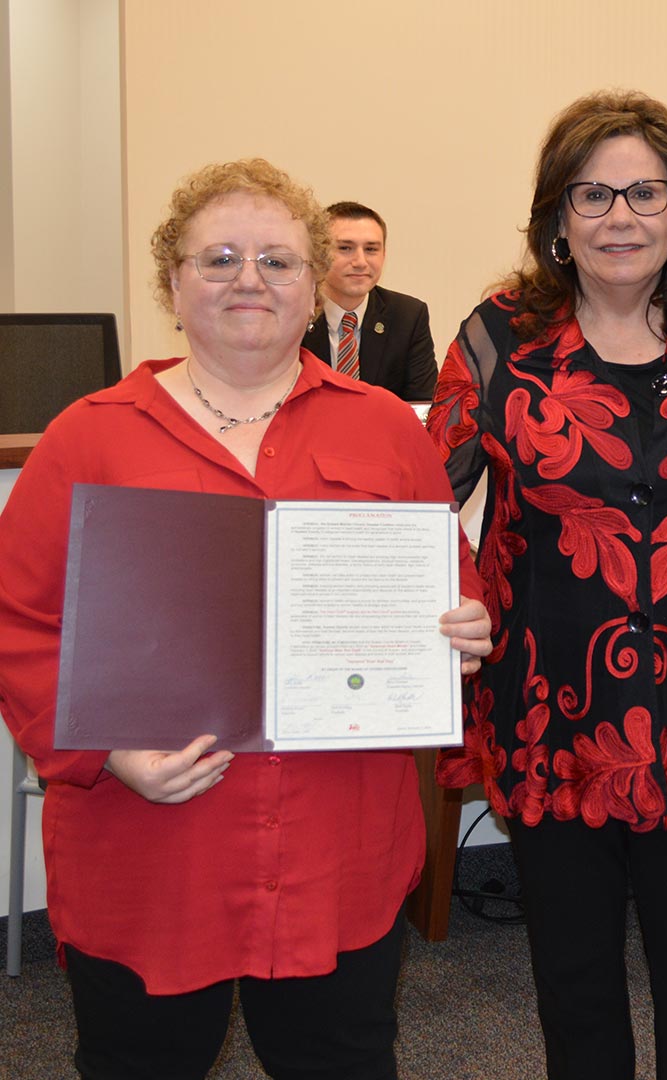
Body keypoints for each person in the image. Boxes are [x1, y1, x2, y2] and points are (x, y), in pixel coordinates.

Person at [0, 158, 490, 1080]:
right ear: (172, 282)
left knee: (340, 1060)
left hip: (333, 844)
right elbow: (18, 622)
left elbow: (447, 589)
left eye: (277, 260)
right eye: (218, 257)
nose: (249, 280)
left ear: (316, 286)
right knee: (139, 1062)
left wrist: (463, 631)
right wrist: (107, 752)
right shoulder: (89, 436)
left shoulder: (386, 429)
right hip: (148, 845)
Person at [428, 90, 667, 1080]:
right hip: (549, 721)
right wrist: (446, 603)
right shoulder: (496, 339)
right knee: (574, 986)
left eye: (644, 191)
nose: (620, 216)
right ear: (555, 215)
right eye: (592, 193)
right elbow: (415, 498)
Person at [302, 201, 438, 401]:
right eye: (345, 248)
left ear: (384, 255)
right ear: (319, 254)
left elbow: (421, 404)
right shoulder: (296, 313)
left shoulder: (408, 316)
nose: (360, 262)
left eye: (371, 249)